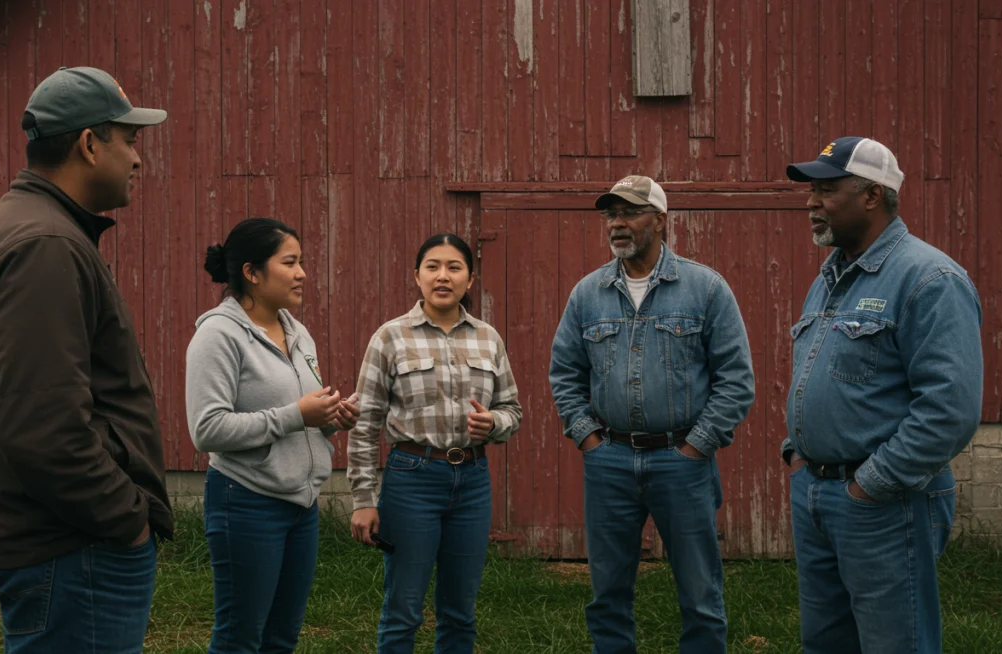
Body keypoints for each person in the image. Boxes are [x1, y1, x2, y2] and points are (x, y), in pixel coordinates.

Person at [0, 66, 172, 653]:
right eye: (129, 140)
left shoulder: (39, 230)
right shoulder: (45, 246)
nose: (137, 159)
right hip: (73, 550)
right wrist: (127, 520)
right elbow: (42, 427)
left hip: (66, 545)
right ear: (89, 142)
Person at [782, 136, 983, 653]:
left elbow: (950, 409)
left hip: (883, 502)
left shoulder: (929, 278)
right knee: (826, 642)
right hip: (817, 494)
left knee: (896, 643)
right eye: (811, 191)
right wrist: (801, 453)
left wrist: (870, 484)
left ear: (872, 196)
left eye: (826, 190)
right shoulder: (830, 277)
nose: (811, 202)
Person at [549, 175, 755, 653]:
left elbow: (736, 380)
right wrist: (588, 440)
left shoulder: (704, 289)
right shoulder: (588, 294)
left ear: (661, 220)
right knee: (608, 593)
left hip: (682, 463)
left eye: (630, 213)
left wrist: (695, 447)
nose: (617, 224)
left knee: (701, 593)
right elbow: (565, 373)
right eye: (610, 214)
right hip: (610, 461)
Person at [186, 217, 359, 653]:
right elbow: (206, 429)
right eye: (290, 262)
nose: (302, 273)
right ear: (251, 272)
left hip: (301, 505)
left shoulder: (297, 333)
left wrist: (331, 417)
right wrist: (297, 415)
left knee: (282, 636)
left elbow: (298, 413)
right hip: (245, 503)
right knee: (240, 637)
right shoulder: (218, 335)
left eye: (301, 262)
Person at [346, 233, 522, 653]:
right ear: (417, 276)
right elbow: (365, 422)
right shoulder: (390, 338)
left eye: (454, 267)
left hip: (473, 482)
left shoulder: (488, 338)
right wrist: (364, 498)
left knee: (460, 612)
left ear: (470, 278)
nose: (443, 276)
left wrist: (492, 423)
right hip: (412, 480)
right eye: (433, 266)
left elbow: (512, 410)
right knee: (403, 609)